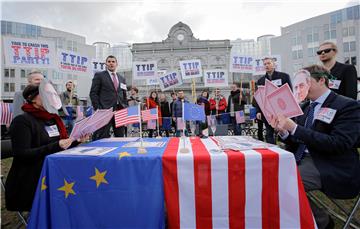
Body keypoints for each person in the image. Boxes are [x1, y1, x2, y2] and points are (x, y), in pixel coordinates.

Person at [270, 65, 360, 229]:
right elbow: (298, 141)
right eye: (296, 86)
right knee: (269, 174)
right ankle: (311, 218)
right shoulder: (305, 108)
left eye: (304, 84)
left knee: (282, 182)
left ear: (321, 80)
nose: (299, 90)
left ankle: (321, 221)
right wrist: (284, 133)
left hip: (331, 163)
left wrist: (295, 128)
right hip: (302, 158)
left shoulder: (347, 105)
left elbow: (339, 143)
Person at [5, 83, 88, 212]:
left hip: (52, 170)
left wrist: (76, 141)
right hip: (31, 179)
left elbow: (59, 145)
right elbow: (22, 154)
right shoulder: (22, 121)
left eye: (53, 94)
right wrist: (56, 145)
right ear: (33, 98)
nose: (51, 97)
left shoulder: (53, 119)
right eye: (46, 94)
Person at [89, 55, 128, 140]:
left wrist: (125, 107)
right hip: (105, 110)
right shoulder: (99, 75)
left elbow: (124, 94)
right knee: (102, 136)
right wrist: (98, 108)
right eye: (109, 61)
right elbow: (93, 93)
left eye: (113, 62)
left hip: (119, 111)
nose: (111, 63)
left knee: (120, 136)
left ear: (116, 64)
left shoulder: (122, 78)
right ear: (106, 64)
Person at [255, 57, 292, 144]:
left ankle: (286, 150)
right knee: (269, 133)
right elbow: (259, 97)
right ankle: (272, 152)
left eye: (269, 63)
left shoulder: (284, 77)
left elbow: (290, 94)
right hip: (267, 112)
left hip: (282, 111)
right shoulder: (261, 80)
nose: (266, 65)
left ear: (274, 65)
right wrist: (258, 111)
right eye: (265, 64)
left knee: (283, 131)